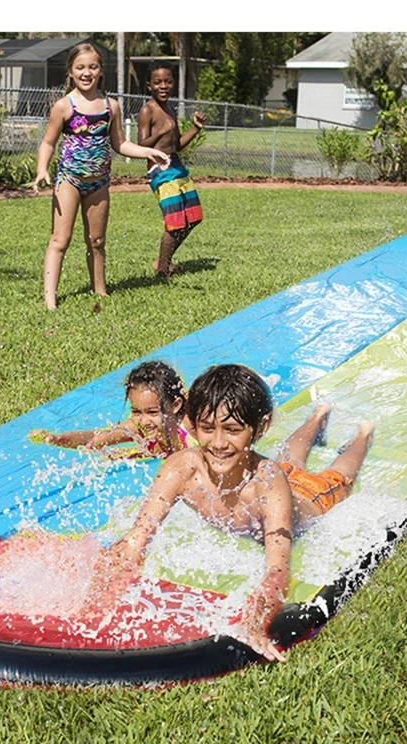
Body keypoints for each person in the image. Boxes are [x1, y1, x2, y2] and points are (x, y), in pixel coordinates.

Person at [90, 364, 374, 662]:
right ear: (194, 423)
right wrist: (97, 596)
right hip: (271, 474)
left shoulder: (267, 484)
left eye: (233, 430)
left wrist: (253, 621)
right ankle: (317, 416)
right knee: (290, 458)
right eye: (208, 428)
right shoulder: (181, 468)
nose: (219, 443)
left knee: (337, 478)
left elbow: (278, 570)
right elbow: (136, 539)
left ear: (260, 428)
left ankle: (362, 436)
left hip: (308, 497)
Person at [33, 43, 170, 310]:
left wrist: (148, 152)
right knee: (60, 240)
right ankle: (50, 297)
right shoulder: (64, 106)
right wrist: (42, 169)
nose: (86, 73)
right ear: (71, 72)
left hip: (99, 183)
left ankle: (100, 290)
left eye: (92, 67)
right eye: (80, 67)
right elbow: (48, 142)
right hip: (69, 181)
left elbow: (120, 144)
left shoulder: (111, 106)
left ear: (100, 71)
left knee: (97, 241)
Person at [29, 360, 195, 459]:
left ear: (175, 406)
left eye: (153, 412)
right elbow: (95, 439)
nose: (144, 421)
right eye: (136, 412)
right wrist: (56, 438)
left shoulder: (193, 425)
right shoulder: (137, 427)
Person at [137, 62, 206, 278]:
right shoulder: (148, 110)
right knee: (175, 222)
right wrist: (160, 133)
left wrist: (195, 128)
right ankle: (162, 271)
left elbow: (176, 145)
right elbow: (141, 145)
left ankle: (162, 261)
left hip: (176, 164)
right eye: (158, 82)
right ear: (149, 85)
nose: (163, 86)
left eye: (168, 81)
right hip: (160, 169)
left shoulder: (170, 109)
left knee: (193, 216)